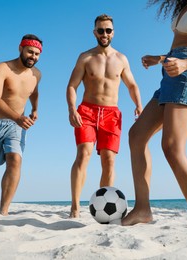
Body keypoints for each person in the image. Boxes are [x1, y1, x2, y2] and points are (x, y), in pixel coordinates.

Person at [121, 0, 187, 227]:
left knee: (172, 147)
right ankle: (142, 209)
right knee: (136, 135)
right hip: (171, 70)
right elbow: (180, 46)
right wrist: (159, 59)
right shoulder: (185, 6)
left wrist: (186, 65)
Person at [66, 14, 142, 218]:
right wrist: (72, 108)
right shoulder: (85, 57)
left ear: (113, 32)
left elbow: (132, 84)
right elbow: (72, 85)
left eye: (108, 30)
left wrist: (138, 104)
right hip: (87, 111)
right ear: (94, 32)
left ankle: (103, 207)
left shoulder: (121, 59)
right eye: (100, 30)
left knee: (109, 160)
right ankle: (75, 206)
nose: (104, 34)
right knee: (84, 154)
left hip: (111, 113)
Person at [0, 34, 43, 216]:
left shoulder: (37, 74)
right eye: (30, 52)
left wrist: (35, 109)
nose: (33, 56)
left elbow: (34, 91)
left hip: (16, 125)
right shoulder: (2, 68)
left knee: (15, 160)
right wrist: (17, 117)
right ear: (20, 48)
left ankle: (3, 210)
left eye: (37, 54)